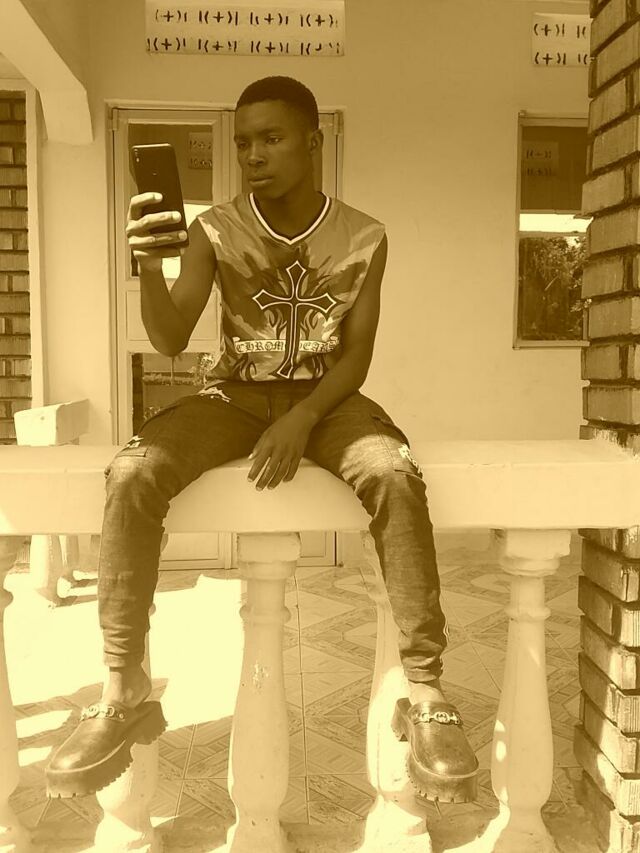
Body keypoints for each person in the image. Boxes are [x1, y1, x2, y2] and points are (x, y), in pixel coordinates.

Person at [45, 76, 478, 805]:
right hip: (233, 395)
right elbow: (170, 337)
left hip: (326, 399)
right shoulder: (216, 229)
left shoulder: (365, 236)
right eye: (244, 142)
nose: (252, 155)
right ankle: (123, 686)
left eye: (271, 139)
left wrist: (302, 417)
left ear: (312, 141)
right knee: (133, 472)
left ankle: (427, 690)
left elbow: (355, 358)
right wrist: (148, 262)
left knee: (392, 470)